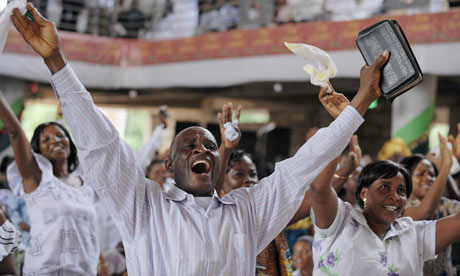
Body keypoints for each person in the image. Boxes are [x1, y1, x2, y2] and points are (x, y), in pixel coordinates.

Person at [11, 3, 387, 274]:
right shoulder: (144, 205)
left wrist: (362, 99)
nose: (201, 149)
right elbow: (102, 143)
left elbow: (301, 167)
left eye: (209, 145)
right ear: (171, 166)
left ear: (219, 162)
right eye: (188, 146)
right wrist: (56, 61)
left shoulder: (248, 210)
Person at [310, 149, 460, 275]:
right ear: (364, 193)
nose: (394, 197)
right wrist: (343, 129)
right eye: (384, 187)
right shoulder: (341, 220)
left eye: (401, 191)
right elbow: (319, 189)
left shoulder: (412, 233)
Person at [0, 92, 99, 273]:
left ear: (70, 142)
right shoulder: (37, 179)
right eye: (46, 139)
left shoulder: (87, 186)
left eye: (61, 135)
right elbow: (15, 132)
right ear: (38, 151)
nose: (55, 140)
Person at [400, 132, 459, 276]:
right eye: (421, 174)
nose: (429, 179)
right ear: (407, 179)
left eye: (432, 174)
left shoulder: (443, 205)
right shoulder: (400, 205)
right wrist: (445, 167)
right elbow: (423, 212)